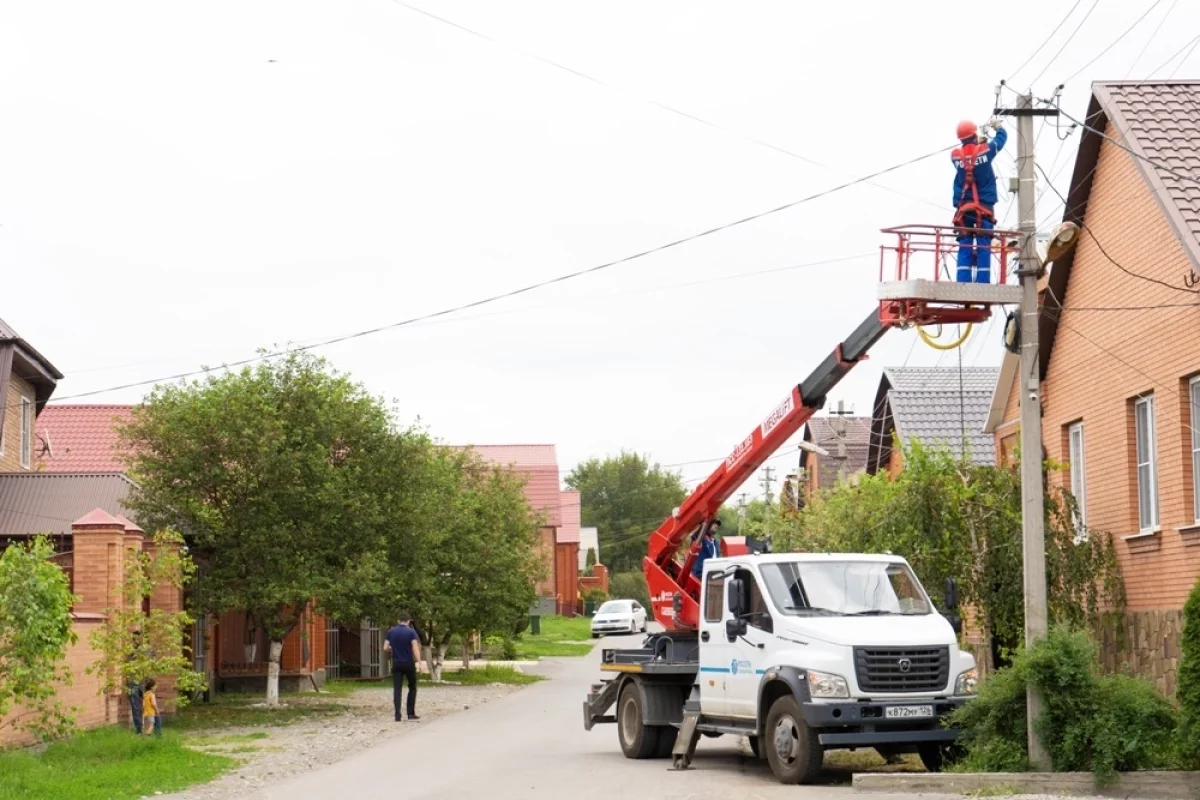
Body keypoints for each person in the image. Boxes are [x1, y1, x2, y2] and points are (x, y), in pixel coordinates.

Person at [951, 117, 1007, 283]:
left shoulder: (955, 156)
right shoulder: (985, 151)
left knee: (965, 244)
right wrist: (999, 128)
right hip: (984, 207)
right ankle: (983, 282)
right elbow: (1001, 140)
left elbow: (968, 156)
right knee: (983, 245)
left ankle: (962, 282)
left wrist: (977, 144)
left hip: (964, 208)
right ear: (974, 135)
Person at [383, 612, 421, 722]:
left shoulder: (391, 631)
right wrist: (419, 662)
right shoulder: (411, 632)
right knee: (412, 687)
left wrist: (392, 648)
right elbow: (415, 648)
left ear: (398, 620)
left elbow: (385, 647)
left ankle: (397, 715)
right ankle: (410, 713)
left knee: (397, 689)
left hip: (396, 663)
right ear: (409, 621)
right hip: (408, 663)